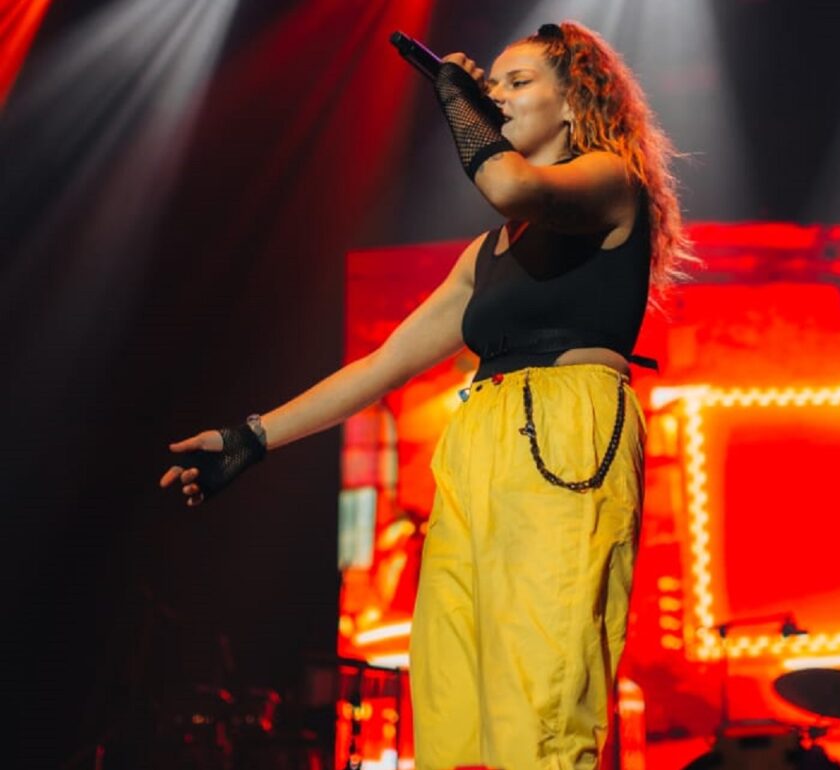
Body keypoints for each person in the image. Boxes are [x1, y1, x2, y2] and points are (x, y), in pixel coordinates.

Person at [161, 20, 694, 770]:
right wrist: (251, 439)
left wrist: (458, 101)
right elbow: (383, 365)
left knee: (539, 701)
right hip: (478, 444)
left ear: (575, 104)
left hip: (566, 431)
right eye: (492, 84)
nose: (497, 94)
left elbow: (508, 183)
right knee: (451, 700)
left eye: (518, 83)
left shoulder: (611, 179)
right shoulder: (487, 254)